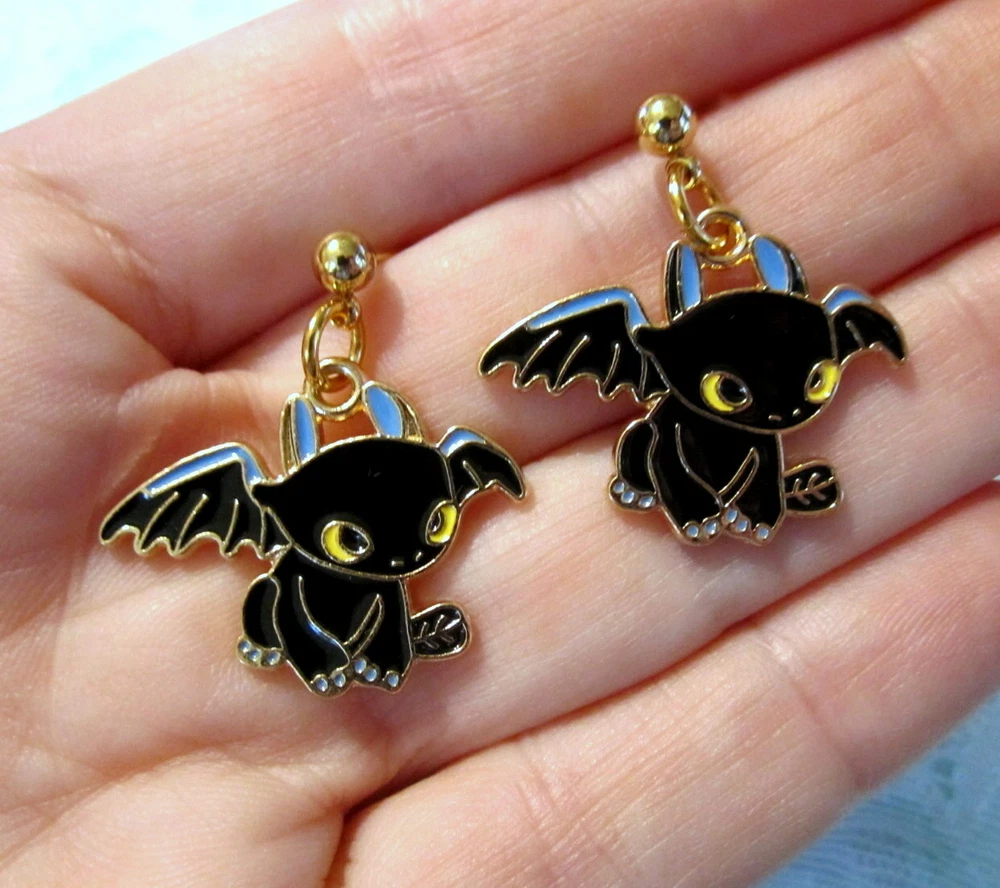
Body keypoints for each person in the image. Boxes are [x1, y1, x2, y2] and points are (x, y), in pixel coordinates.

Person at [0, 0, 996, 884]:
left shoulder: (717, 361)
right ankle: (338, 636)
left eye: (814, 384)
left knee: (731, 462)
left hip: (677, 440)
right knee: (316, 600)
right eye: (741, 387)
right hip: (317, 601)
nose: (782, 408)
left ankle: (706, 502)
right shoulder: (274, 499)